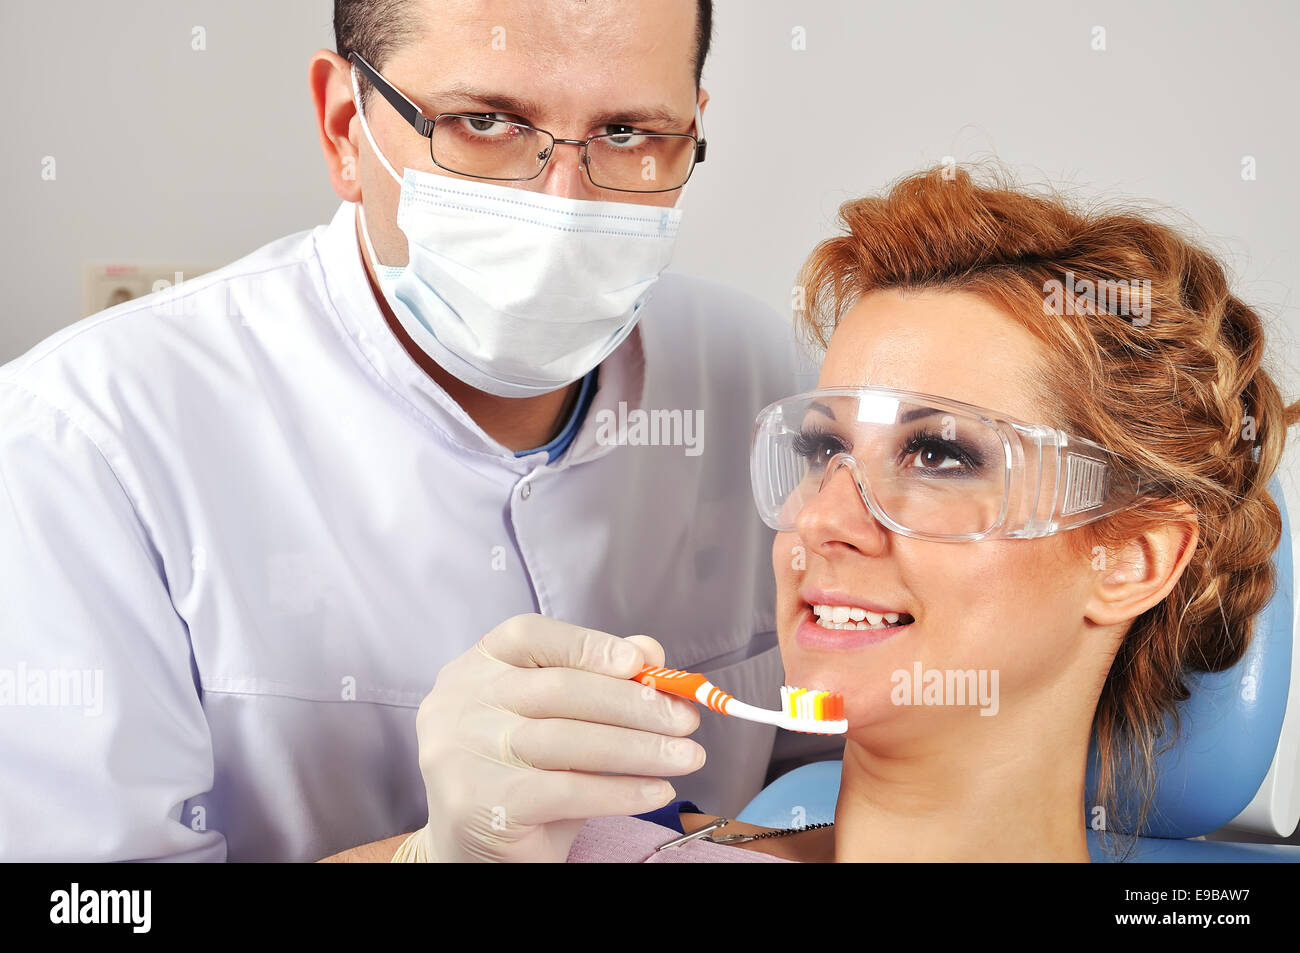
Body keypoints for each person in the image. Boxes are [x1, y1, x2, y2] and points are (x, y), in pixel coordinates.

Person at [0, 0, 841, 863]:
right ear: (343, 128)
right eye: (484, 122)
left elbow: (875, 781)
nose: (560, 205)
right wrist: (428, 859)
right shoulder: (83, 442)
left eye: (627, 133)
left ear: (694, 127)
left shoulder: (769, 385)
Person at [562, 165, 1299, 862]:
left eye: (940, 456)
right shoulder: (571, 842)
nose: (821, 520)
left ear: (1136, 560)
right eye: (822, 447)